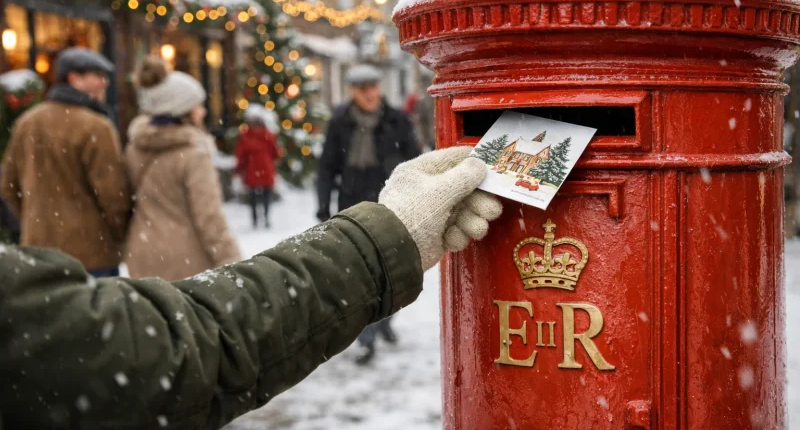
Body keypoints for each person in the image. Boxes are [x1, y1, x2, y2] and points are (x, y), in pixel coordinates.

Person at [0, 146, 502, 430]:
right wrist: (387, 232)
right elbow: (186, 345)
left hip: (135, 251)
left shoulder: (130, 142)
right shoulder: (188, 150)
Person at [317, 63, 421, 364]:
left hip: (389, 200)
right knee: (361, 271)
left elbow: (413, 161)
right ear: (352, 92)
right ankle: (367, 336)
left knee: (394, 269)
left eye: (373, 87)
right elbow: (326, 167)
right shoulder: (340, 123)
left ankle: (385, 321)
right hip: (351, 203)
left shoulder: (397, 120)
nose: (369, 94)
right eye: (363, 89)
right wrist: (323, 206)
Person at [0, 47, 131, 277]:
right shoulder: (96, 126)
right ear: (74, 78)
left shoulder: (27, 122)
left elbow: (8, 185)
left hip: (39, 252)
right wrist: (119, 235)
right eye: (98, 76)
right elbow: (114, 196)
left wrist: (34, 222)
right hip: (91, 253)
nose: (104, 83)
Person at [124, 56, 241, 281]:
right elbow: (209, 218)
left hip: (142, 254)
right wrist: (233, 263)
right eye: (197, 106)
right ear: (181, 110)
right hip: (187, 259)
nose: (203, 112)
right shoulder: (193, 154)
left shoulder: (134, 148)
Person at [236, 109, 281, 228]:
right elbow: (275, 153)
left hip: (251, 169)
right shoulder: (268, 135)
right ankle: (266, 217)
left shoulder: (246, 136)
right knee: (266, 194)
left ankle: (255, 219)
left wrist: (238, 169)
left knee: (253, 196)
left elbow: (241, 155)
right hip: (266, 168)